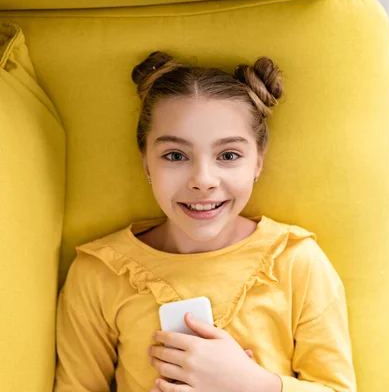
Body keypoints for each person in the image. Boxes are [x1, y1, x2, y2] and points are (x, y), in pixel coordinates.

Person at [53, 51, 356, 392]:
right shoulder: (99, 273)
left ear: (257, 162)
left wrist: (249, 384)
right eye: (175, 156)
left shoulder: (296, 262)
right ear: (147, 163)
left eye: (228, 155)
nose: (203, 180)